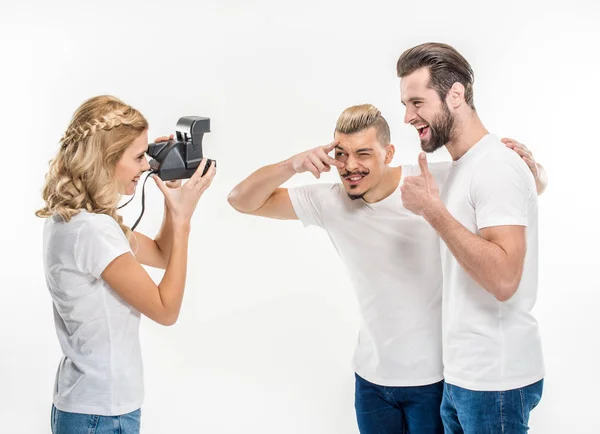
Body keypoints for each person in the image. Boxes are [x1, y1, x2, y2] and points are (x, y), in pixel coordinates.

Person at [227, 103, 547, 434]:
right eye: (341, 154)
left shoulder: (427, 184)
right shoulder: (330, 201)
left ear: (388, 152)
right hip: (371, 382)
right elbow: (241, 200)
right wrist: (293, 164)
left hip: (435, 380)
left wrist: (536, 171)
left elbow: (520, 189)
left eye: (363, 153)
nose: (350, 166)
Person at [36, 95, 216, 434]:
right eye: (137, 157)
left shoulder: (74, 220)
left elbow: (163, 254)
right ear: (106, 159)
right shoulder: (93, 231)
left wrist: (171, 199)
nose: (147, 165)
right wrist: (184, 219)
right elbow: (166, 310)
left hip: (86, 406)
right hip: (102, 414)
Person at [397, 42, 545, 433]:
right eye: (405, 105)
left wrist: (432, 211)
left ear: (456, 94)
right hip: (464, 378)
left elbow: (504, 279)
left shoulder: (495, 164)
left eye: (417, 102)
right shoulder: (466, 165)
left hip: (496, 382)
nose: (409, 116)